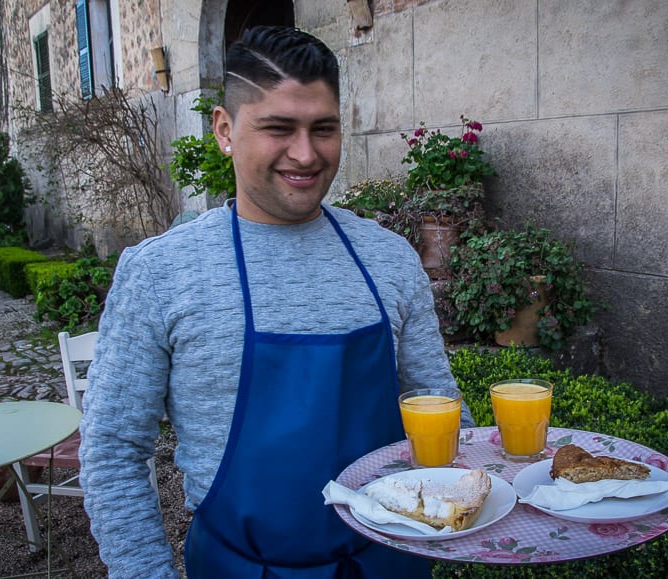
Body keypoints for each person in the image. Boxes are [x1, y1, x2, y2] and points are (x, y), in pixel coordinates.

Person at [80, 26, 474, 578]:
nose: (306, 154)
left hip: (391, 562)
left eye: (324, 129)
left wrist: (492, 487)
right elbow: (114, 452)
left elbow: (439, 403)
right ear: (224, 130)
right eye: (278, 128)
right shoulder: (160, 273)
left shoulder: (389, 259)